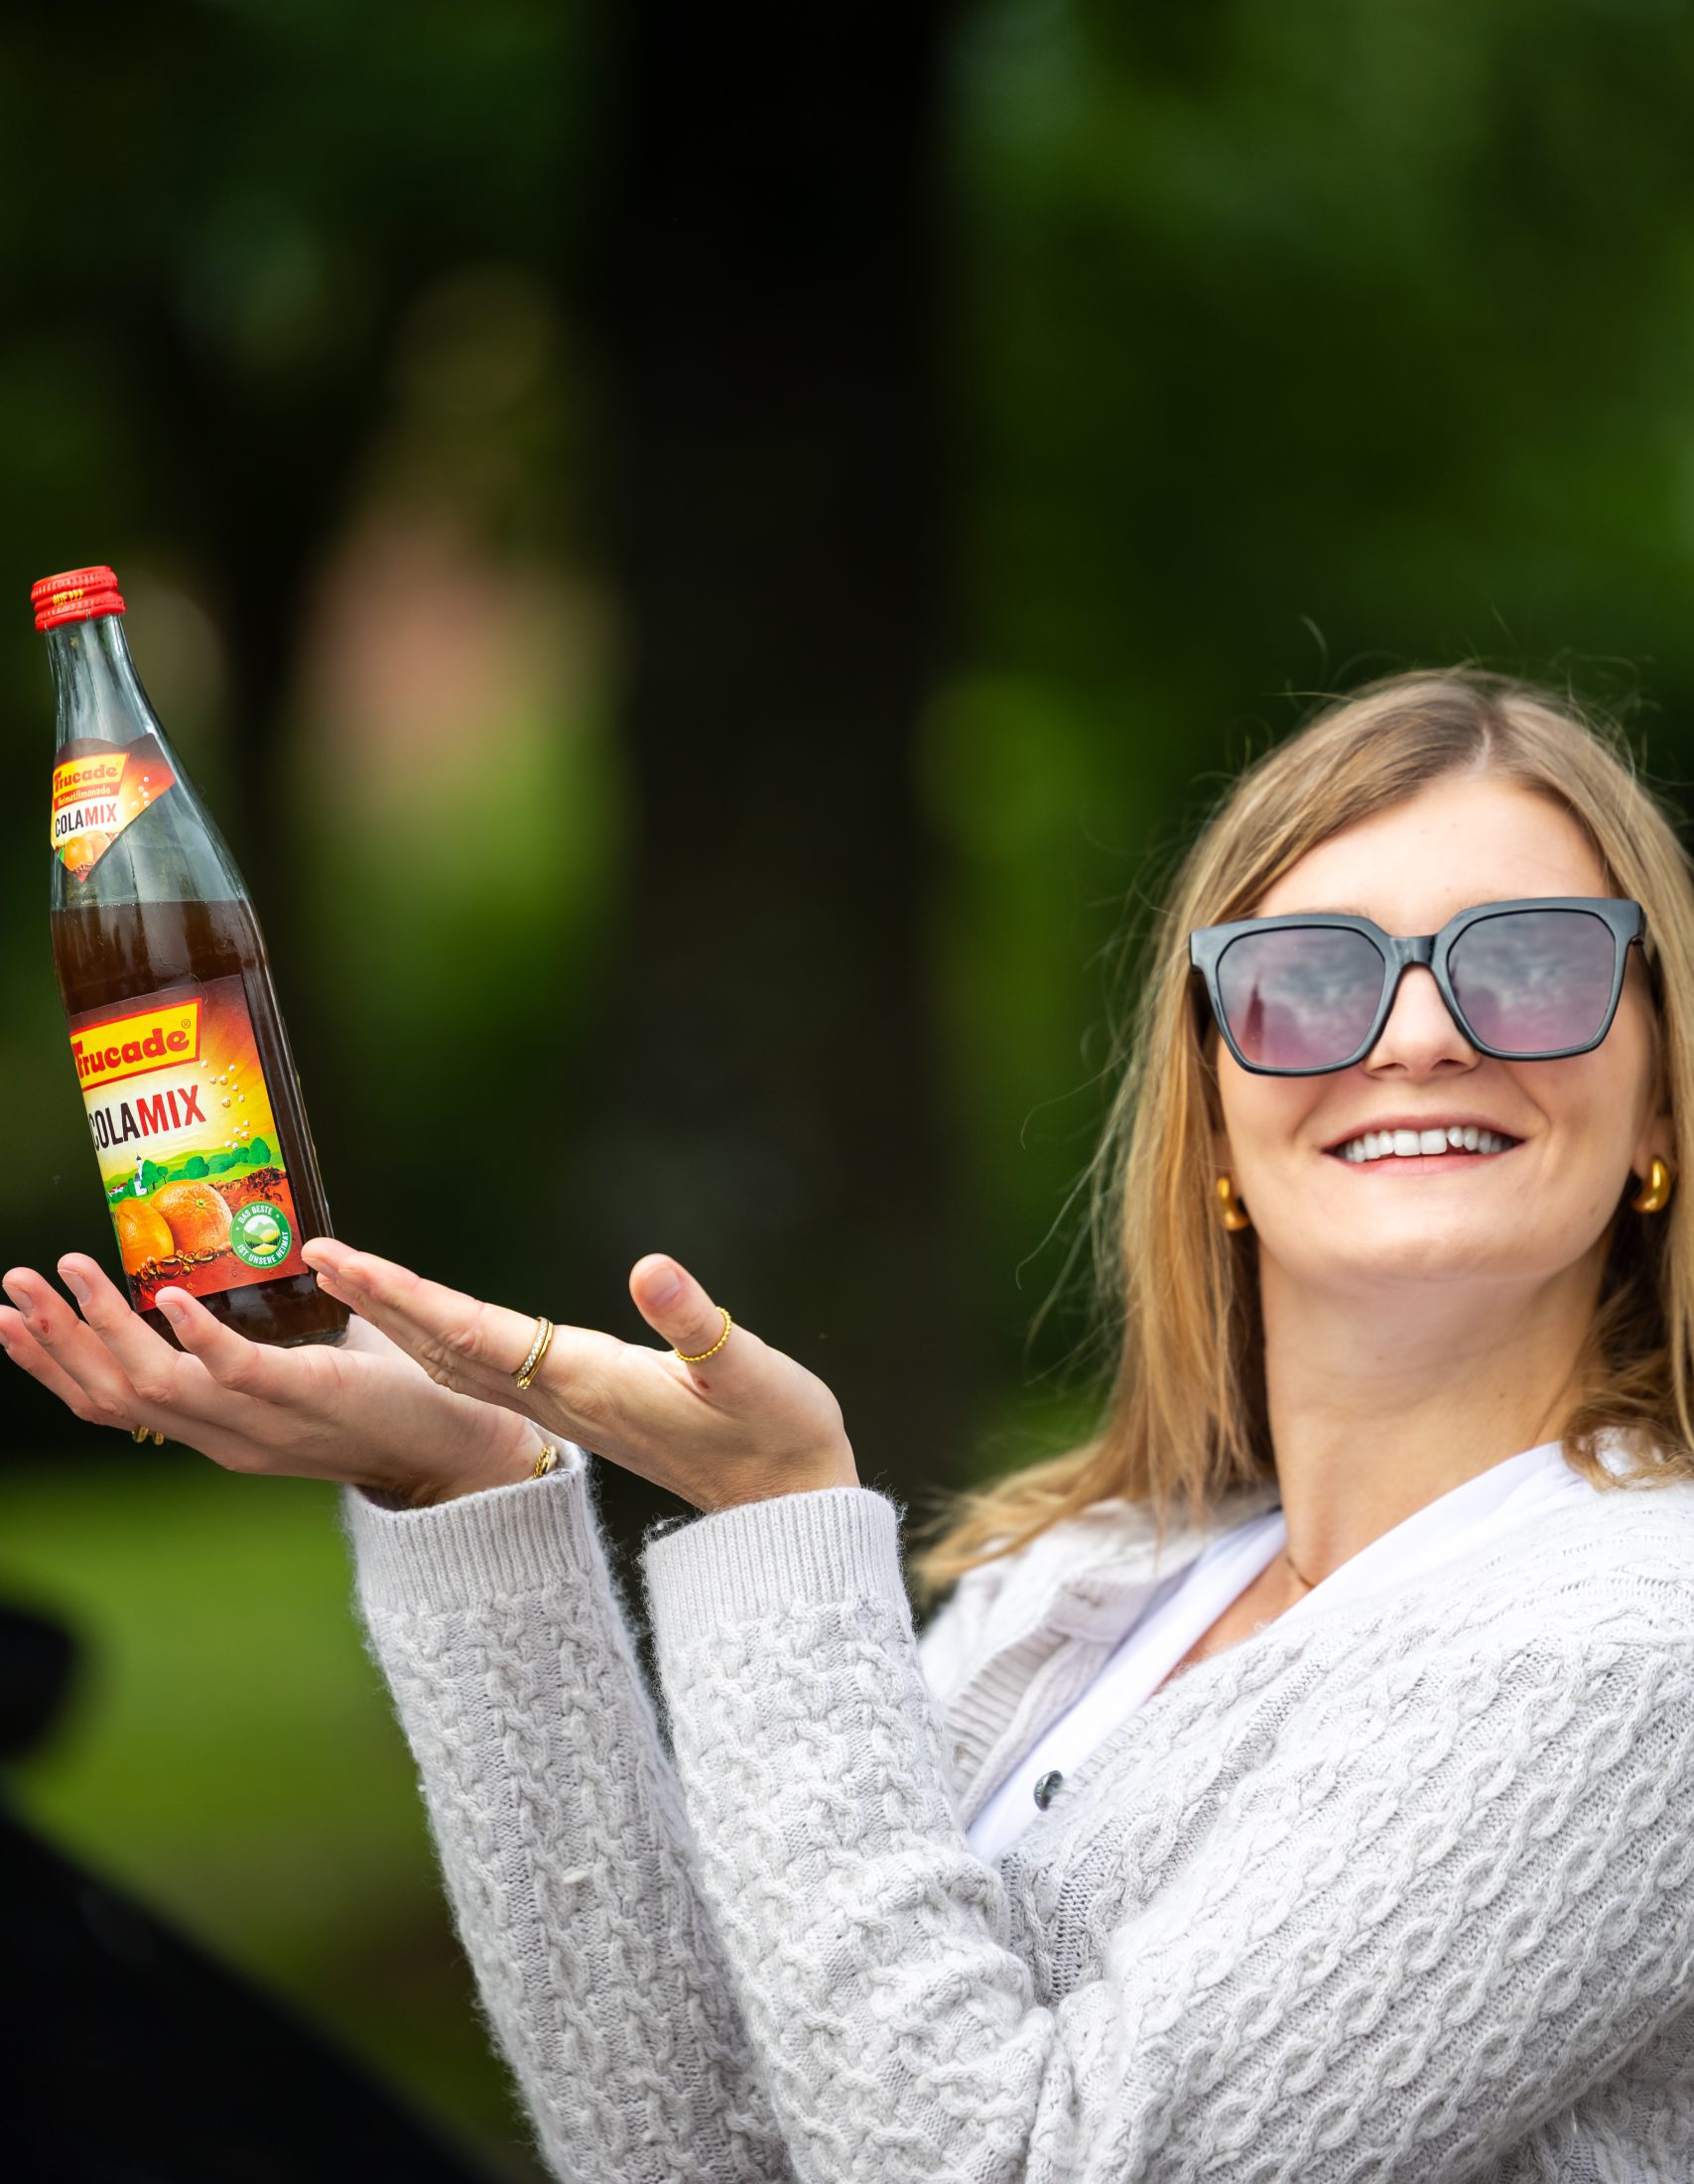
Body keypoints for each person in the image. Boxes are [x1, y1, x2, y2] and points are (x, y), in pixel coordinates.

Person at [6, 664, 1694, 2184]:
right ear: (1214, 1109)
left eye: (1533, 963)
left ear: (1659, 1100)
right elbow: (694, 2149)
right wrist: (464, 1487)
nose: (1418, 1035)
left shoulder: (1631, 1660)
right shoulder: (1091, 1582)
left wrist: (778, 1526)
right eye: (1309, 979)